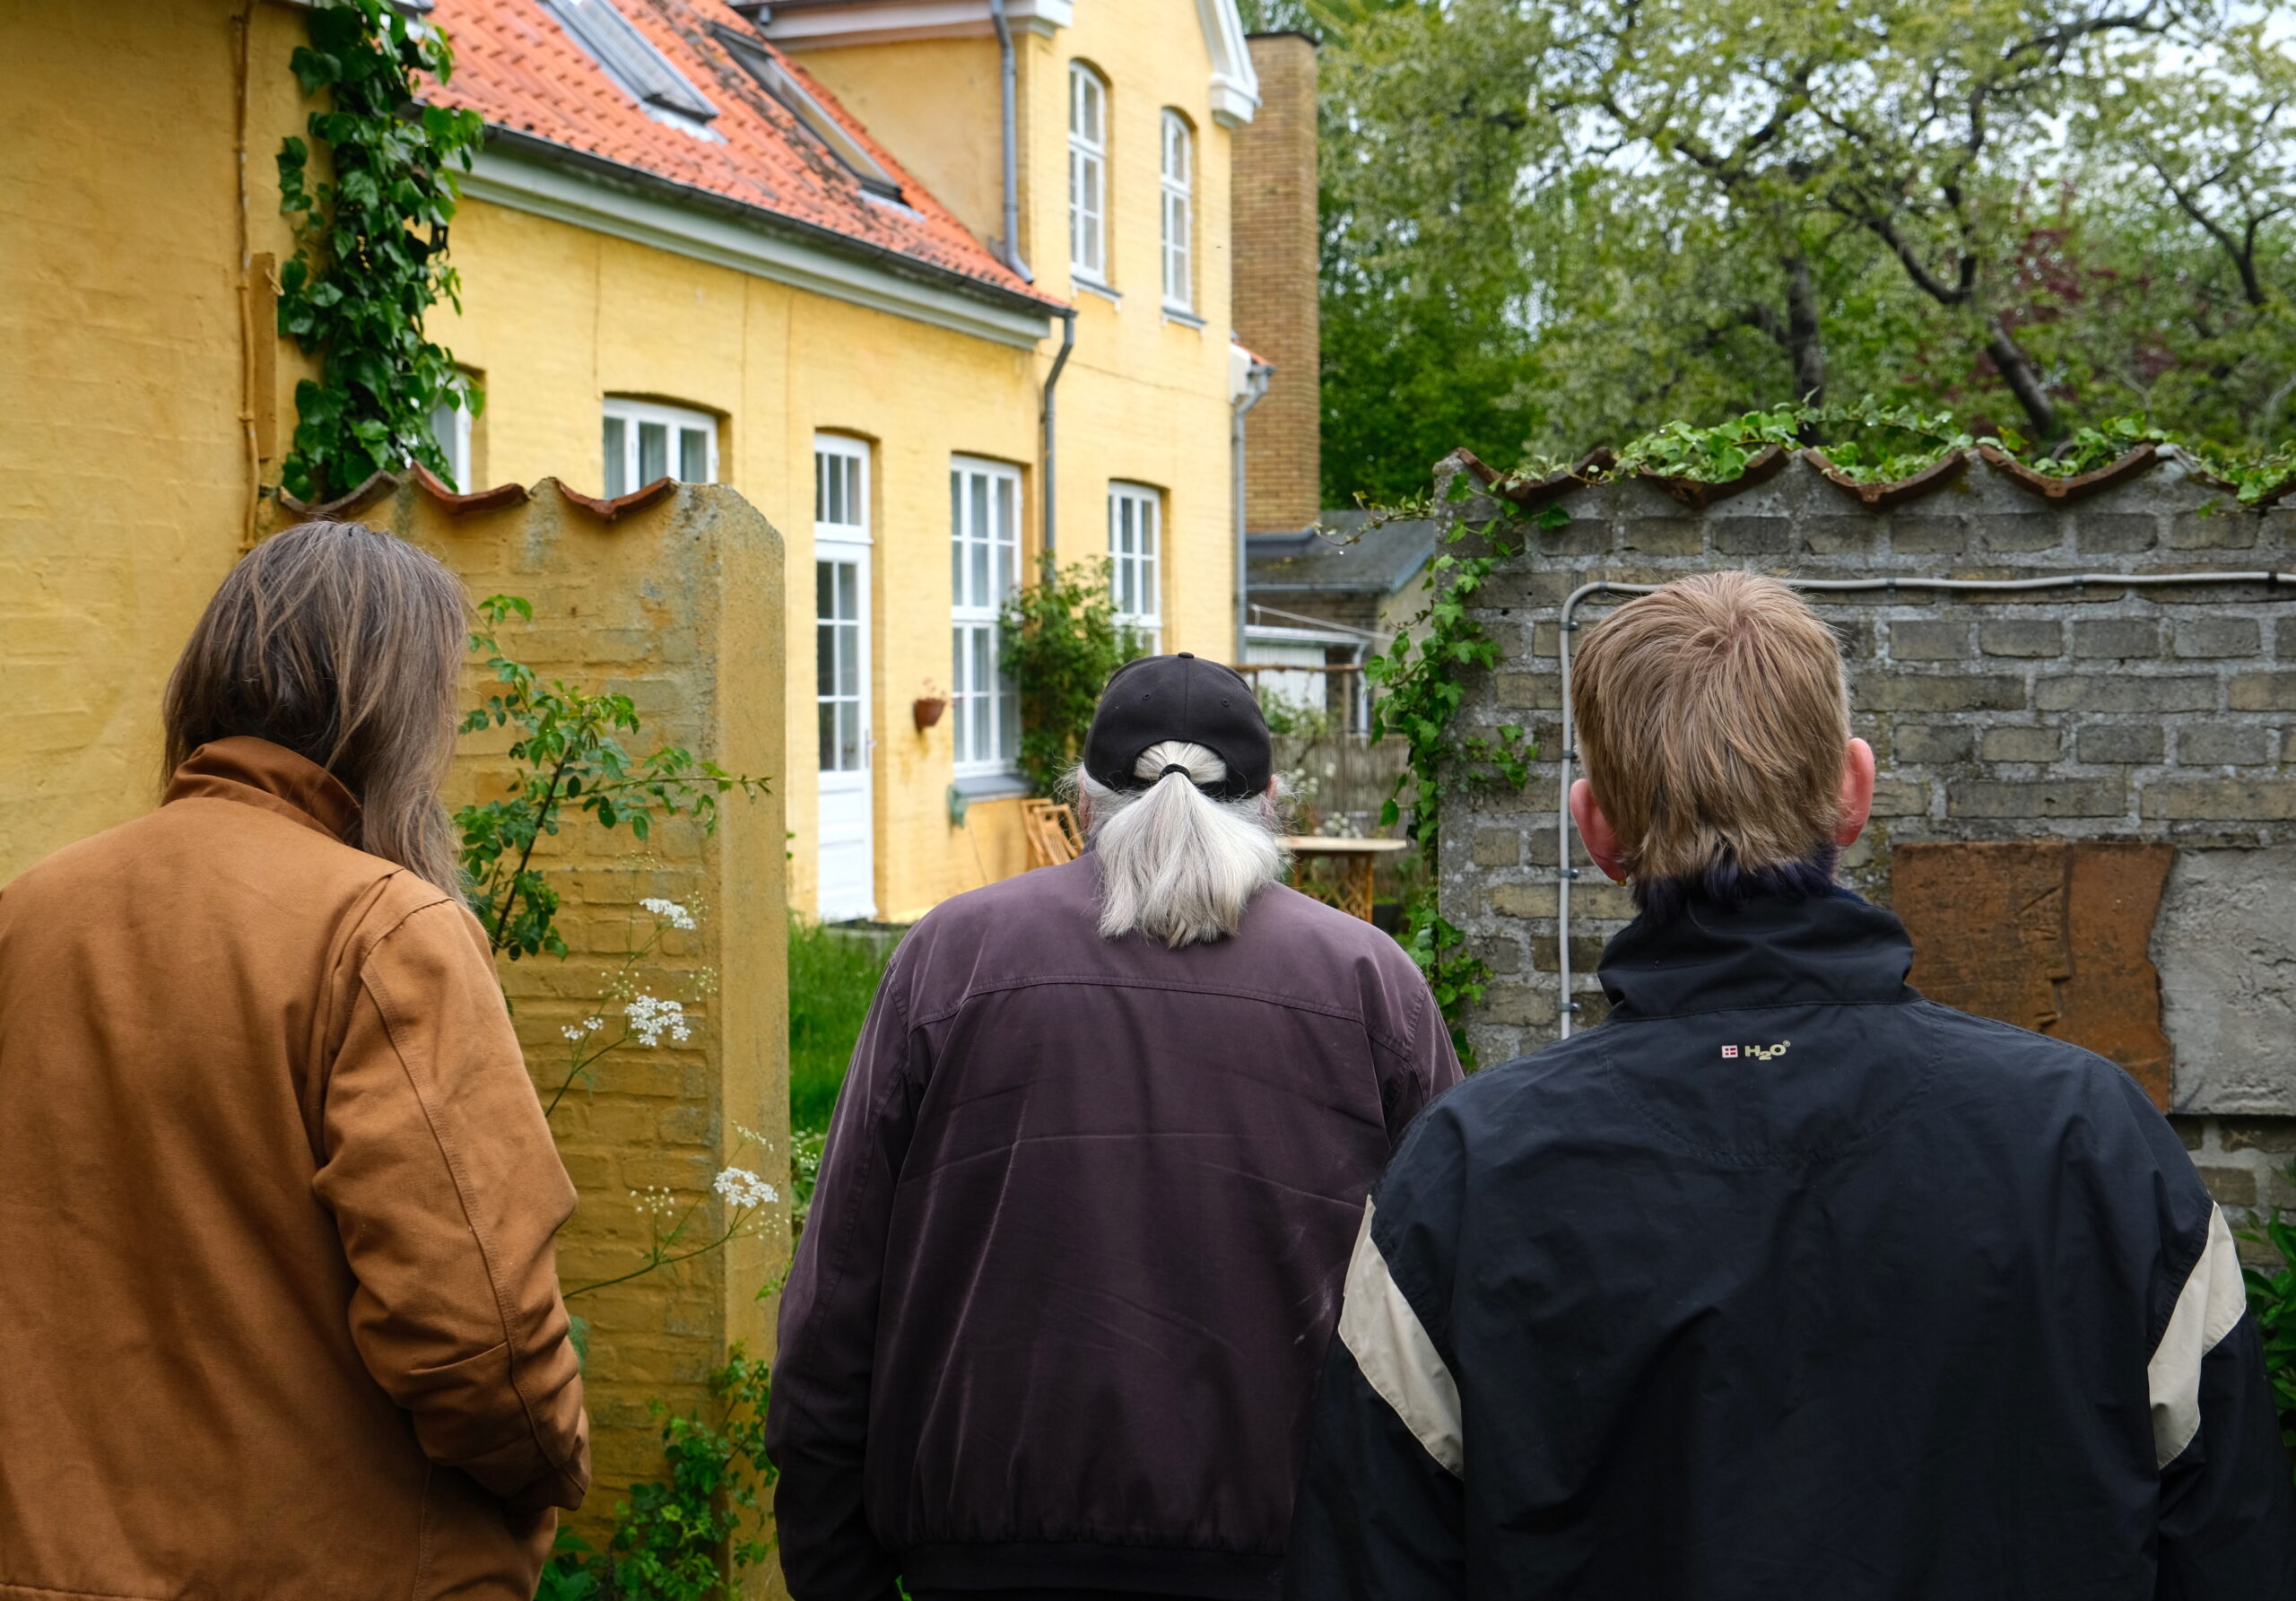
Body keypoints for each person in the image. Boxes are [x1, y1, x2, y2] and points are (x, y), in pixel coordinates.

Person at [1286, 571, 2296, 1600]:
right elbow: (2229, 1548)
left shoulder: (1467, 1173)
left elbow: (1371, 1565)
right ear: (1853, 791)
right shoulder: (2093, 1140)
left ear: (1594, 831)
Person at [769, 651, 1461, 1601]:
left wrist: (834, 1567)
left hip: (984, 1560)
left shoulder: (949, 958)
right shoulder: (1368, 981)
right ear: (1271, 806)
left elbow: (838, 1290)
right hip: (1292, 1558)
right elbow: (1446, 1306)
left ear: (1085, 802)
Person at [0, 522, 589, 1599]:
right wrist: (546, 1474)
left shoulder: (30, 912)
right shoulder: (382, 932)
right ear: (396, 712)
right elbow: (476, 1341)